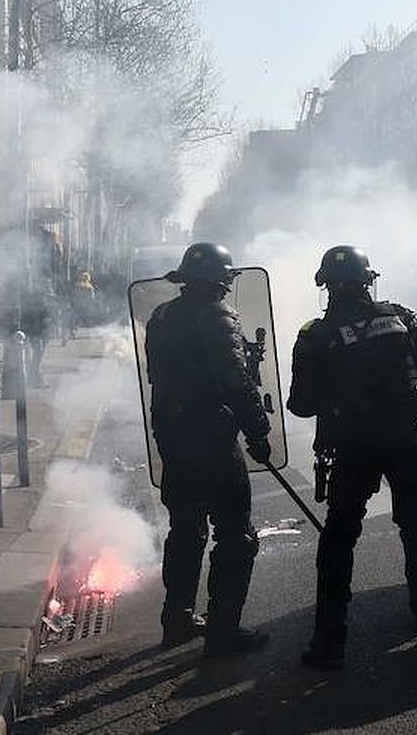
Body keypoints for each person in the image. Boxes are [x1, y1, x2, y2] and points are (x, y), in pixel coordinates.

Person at [289, 246, 417, 670]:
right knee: (414, 519)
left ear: (324, 286)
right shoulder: (401, 317)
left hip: (353, 445)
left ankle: (329, 643)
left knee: (339, 538)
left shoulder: (315, 335)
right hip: (405, 438)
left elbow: (300, 404)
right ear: (369, 280)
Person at [144, 243, 271, 656]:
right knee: (235, 535)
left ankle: (176, 619)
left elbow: (156, 373)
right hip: (212, 439)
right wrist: (258, 432)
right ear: (221, 282)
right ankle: (222, 630)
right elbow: (236, 381)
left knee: (185, 528)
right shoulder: (217, 315)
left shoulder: (161, 317)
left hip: (172, 434)